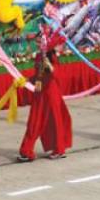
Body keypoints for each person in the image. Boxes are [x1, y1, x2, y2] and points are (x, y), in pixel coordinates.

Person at [17, 23, 72, 161]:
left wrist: (50, 66)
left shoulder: (51, 57)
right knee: (33, 121)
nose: (36, 42)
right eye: (36, 39)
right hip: (39, 94)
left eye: (39, 39)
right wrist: (26, 80)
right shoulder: (38, 57)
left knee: (55, 121)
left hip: (51, 93)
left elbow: (58, 75)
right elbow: (37, 75)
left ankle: (59, 149)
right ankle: (26, 151)